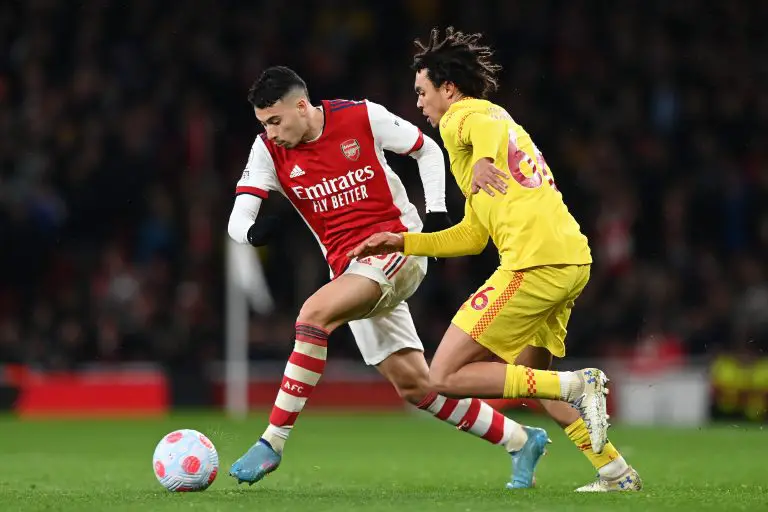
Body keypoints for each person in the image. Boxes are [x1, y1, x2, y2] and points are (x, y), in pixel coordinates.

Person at [227, 65, 551, 489]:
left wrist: (435, 210)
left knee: (312, 315)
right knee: (417, 386)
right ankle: (521, 439)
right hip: (350, 269)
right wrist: (251, 232)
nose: (270, 132)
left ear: (301, 106)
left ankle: (272, 441)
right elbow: (238, 218)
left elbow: (427, 150)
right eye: (263, 124)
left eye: (275, 121)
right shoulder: (267, 151)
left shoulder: (360, 116)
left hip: (396, 248)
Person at [348, 28, 642, 492]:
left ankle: (580, 385)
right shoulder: (492, 124)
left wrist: (484, 158)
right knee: (536, 376)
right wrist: (400, 242)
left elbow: (481, 129)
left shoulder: (463, 118)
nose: (420, 104)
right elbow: (469, 236)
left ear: (448, 88)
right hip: (570, 260)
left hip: (533, 263)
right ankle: (615, 471)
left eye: (422, 93)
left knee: (442, 375)